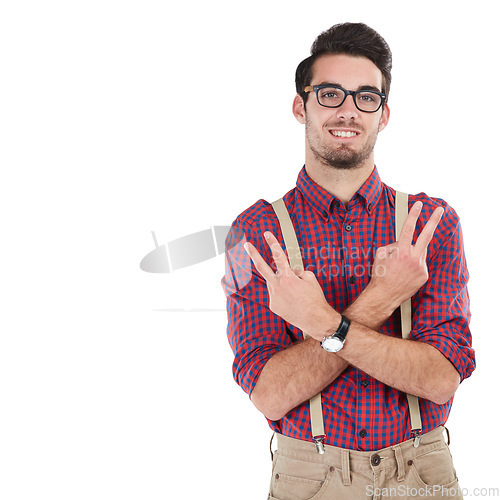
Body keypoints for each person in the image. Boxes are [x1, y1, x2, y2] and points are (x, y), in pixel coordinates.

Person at [221, 22, 475, 499]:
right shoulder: (250, 233)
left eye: (366, 97)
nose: (348, 110)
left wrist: (322, 323)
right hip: (309, 477)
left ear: (384, 114)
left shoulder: (432, 223)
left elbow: (441, 380)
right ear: (302, 105)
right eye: (331, 93)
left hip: (420, 473)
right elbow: (269, 393)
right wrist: (380, 300)